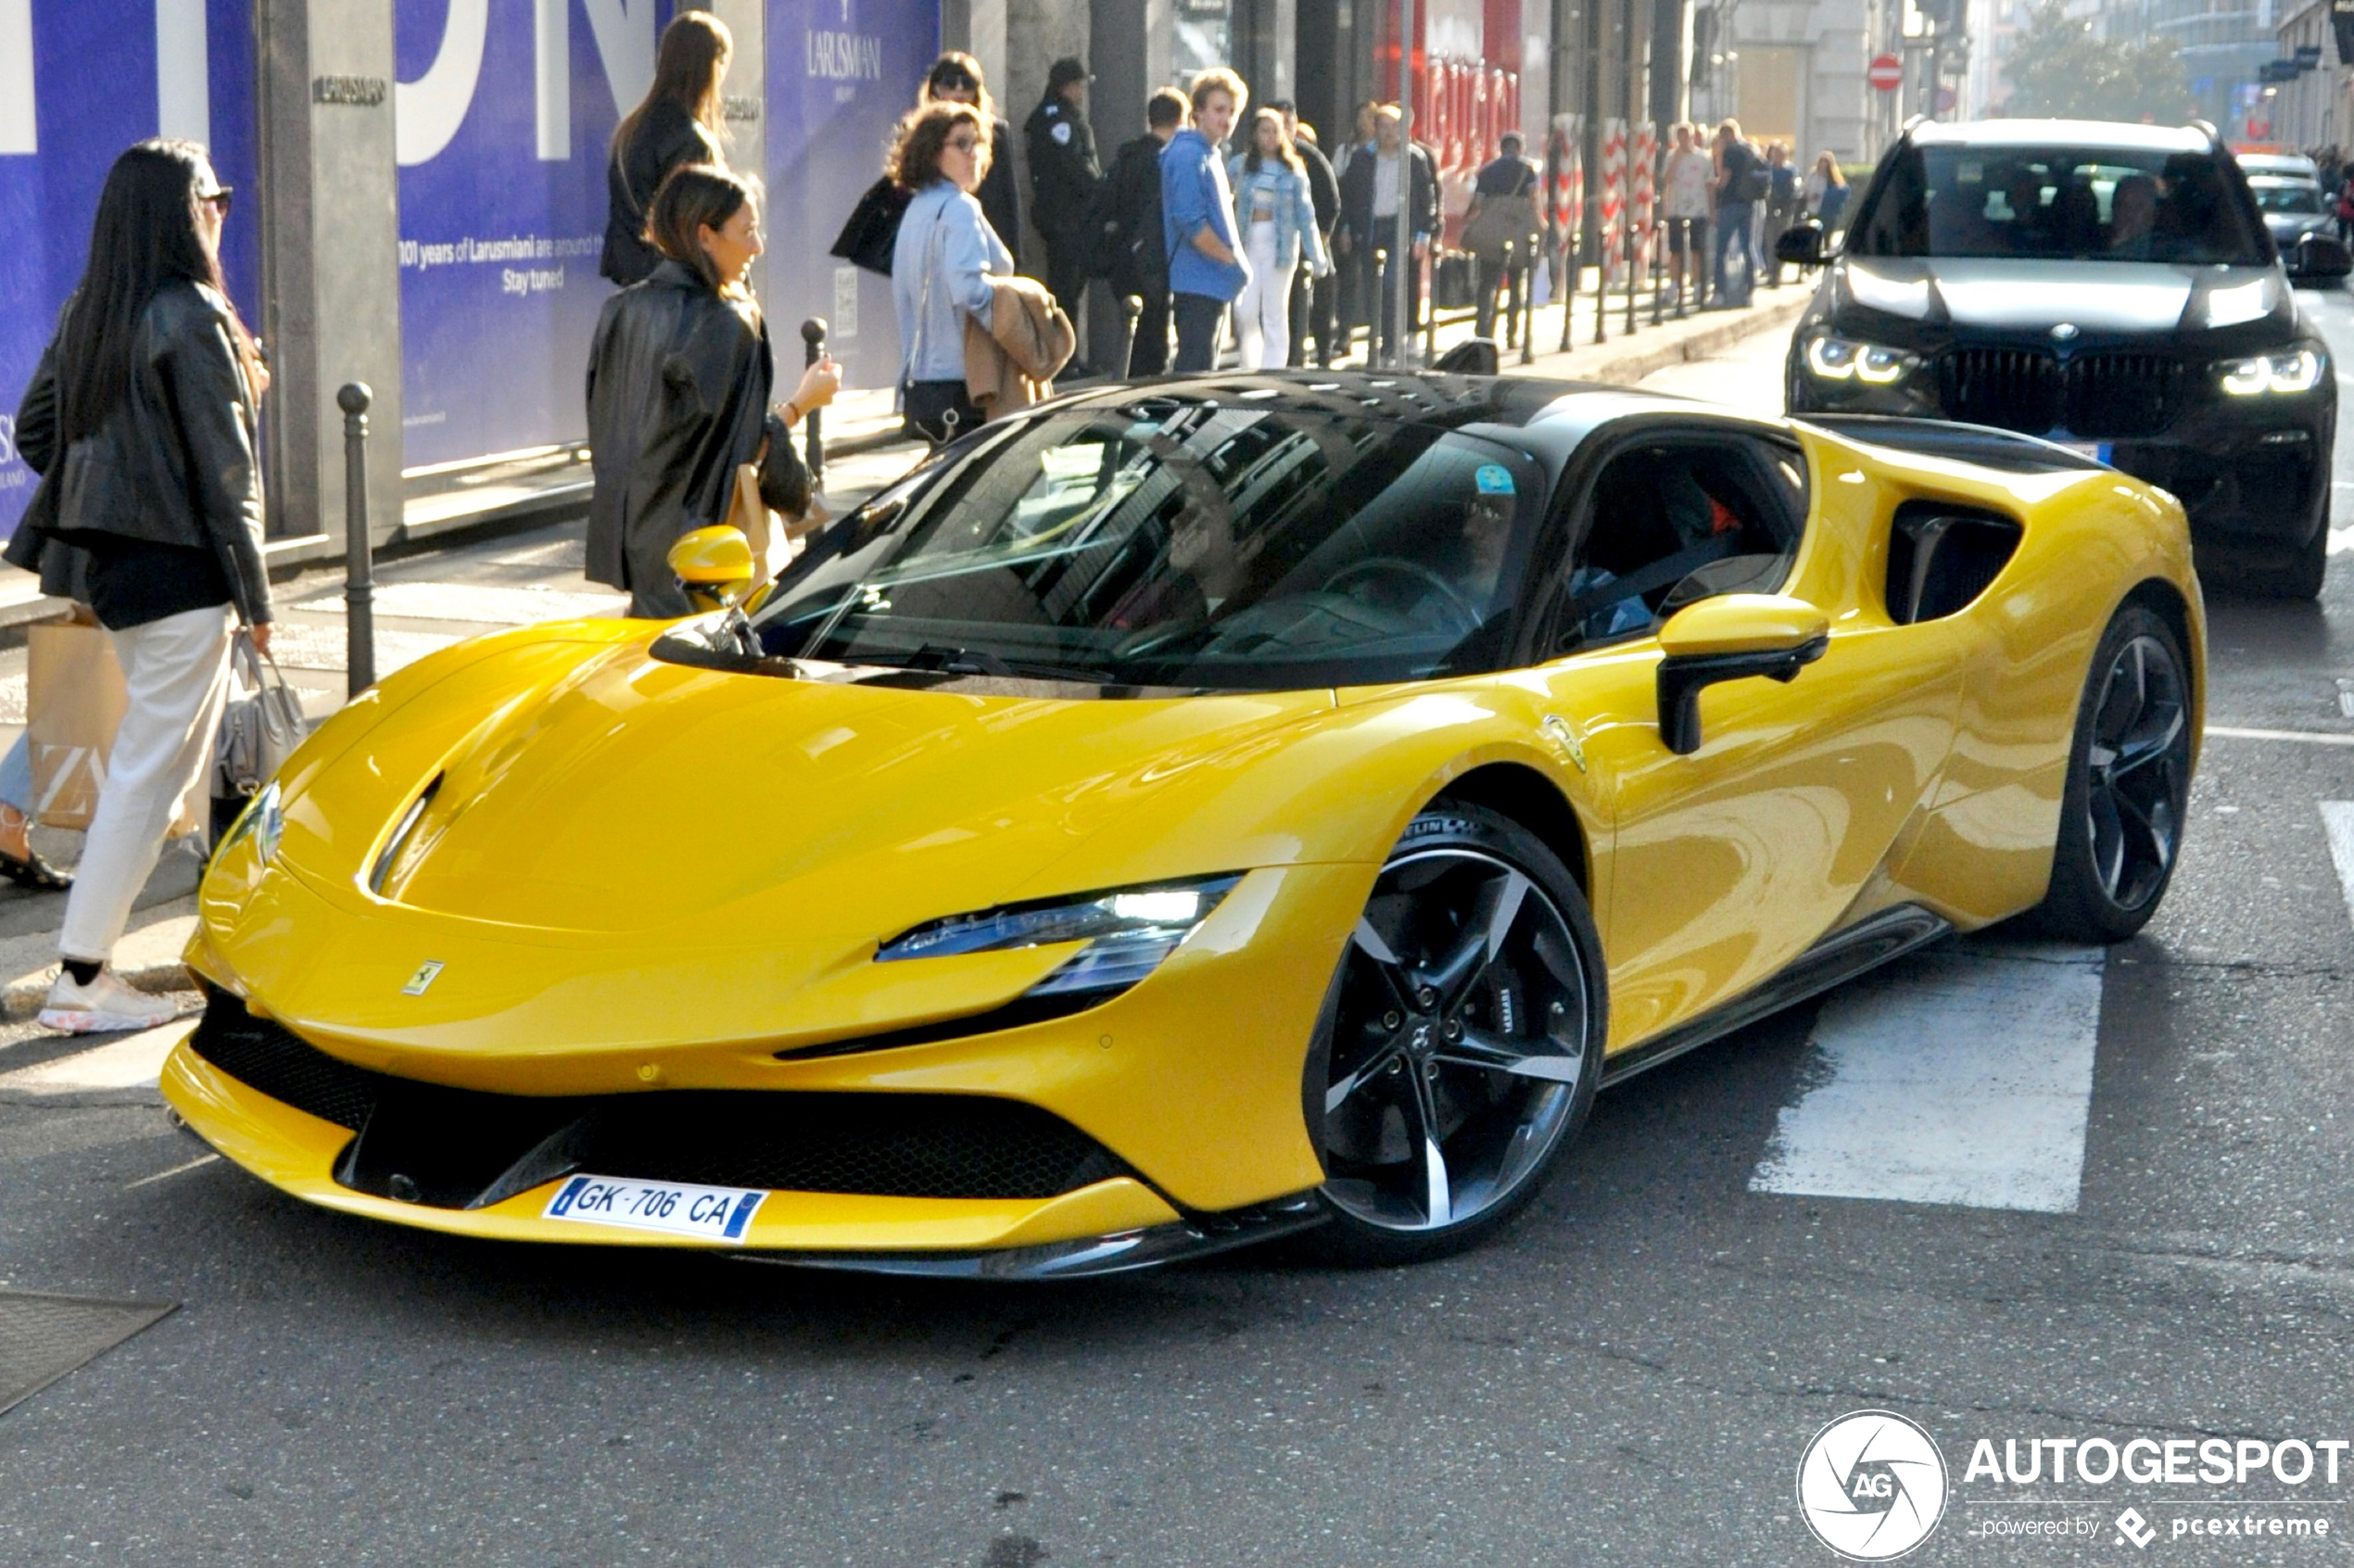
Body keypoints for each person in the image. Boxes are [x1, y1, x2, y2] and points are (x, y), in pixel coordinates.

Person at [3, 142, 271, 1032]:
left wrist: (112, 481)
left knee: (164, 774)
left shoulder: (97, 304)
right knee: (147, 777)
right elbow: (227, 475)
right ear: (181, 209)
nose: (222, 211)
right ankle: (82, 978)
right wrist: (259, 600)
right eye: (213, 197)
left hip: (120, 572)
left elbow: (40, 428)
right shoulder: (192, 311)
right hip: (183, 571)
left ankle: (121, 960)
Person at [587, 165, 835, 616]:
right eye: (748, 231)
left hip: (634, 546)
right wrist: (802, 403)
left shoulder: (618, 311)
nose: (758, 246)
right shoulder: (730, 321)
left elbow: (611, 428)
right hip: (706, 551)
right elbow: (748, 447)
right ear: (705, 235)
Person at [891, 101, 1016, 439]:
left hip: (922, 382)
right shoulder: (959, 209)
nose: (973, 152)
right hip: (966, 382)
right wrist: (1017, 323)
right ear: (933, 152)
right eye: (961, 143)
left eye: (978, 142)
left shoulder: (918, 207)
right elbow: (969, 290)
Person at [601, 11, 732, 287]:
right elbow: (700, 225)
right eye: (722, 63)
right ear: (710, 66)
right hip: (678, 285)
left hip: (634, 275)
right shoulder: (691, 138)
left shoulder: (632, 128)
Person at [1161, 68, 1252, 373]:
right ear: (1198, 111)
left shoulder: (1207, 152)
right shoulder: (1189, 155)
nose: (1226, 119)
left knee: (1201, 371)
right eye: (1218, 110)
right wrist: (1229, 259)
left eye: (1232, 111)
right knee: (1193, 374)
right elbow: (1190, 221)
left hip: (1209, 282)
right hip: (1198, 282)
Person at [1226, 108, 1330, 370]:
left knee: (1274, 311)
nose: (1270, 136)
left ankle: (1274, 365)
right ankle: (1250, 362)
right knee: (1245, 309)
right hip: (1247, 241)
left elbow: (1306, 216)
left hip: (1280, 244)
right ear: (1254, 134)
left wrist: (1317, 256)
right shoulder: (1240, 166)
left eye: (1275, 131)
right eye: (1265, 130)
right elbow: (1222, 197)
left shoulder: (1293, 170)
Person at [1337, 103, 1436, 362]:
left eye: (1395, 127)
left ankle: (1390, 345)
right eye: (1384, 126)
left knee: (1392, 283)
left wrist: (1424, 234)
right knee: (1373, 286)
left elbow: (1427, 198)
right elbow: (1349, 196)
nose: (1389, 132)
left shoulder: (1414, 158)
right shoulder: (1361, 157)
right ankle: (1377, 336)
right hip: (1370, 228)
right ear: (1376, 129)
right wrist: (1346, 228)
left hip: (1398, 227)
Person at [1103, 87, 1187, 374]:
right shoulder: (1164, 161)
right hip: (1152, 263)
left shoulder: (1127, 156)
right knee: (1153, 348)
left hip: (1123, 258)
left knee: (1132, 339)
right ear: (1181, 120)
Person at [922, 52, 1024, 272]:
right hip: (938, 238)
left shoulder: (996, 132)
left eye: (967, 83)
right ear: (936, 89)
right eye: (950, 83)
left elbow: (1009, 198)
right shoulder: (921, 134)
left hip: (987, 236)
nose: (959, 90)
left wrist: (1014, 255)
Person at [1024, 57, 1101, 346]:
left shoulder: (1055, 115)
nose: (1081, 92)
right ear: (1068, 87)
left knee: (1070, 285)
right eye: (1079, 86)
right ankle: (1063, 354)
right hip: (1064, 216)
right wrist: (1101, 189)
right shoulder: (1058, 120)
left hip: (1064, 215)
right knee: (1065, 287)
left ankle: (1068, 352)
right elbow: (1075, 167)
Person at [1272, 102, 1341, 367]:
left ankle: (1323, 354)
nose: (1284, 130)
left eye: (1288, 123)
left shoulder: (1310, 156)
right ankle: (1289, 357)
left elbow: (1331, 201)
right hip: (1277, 245)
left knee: (1319, 303)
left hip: (1312, 243)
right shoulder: (1260, 158)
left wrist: (1321, 240)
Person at [1462, 131, 1542, 337]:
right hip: (1518, 229)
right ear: (1520, 148)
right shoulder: (1528, 170)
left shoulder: (1488, 170)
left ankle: (1483, 328)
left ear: (1501, 147)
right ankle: (1512, 331)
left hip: (1492, 232)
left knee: (1487, 282)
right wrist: (1539, 223)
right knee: (1516, 282)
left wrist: (1470, 220)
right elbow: (1534, 199)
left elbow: (1478, 203)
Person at [1660, 123, 1714, 307]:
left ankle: (1697, 285)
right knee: (1676, 250)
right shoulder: (1671, 156)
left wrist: (1712, 209)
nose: (1685, 140)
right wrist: (1676, 159)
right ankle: (1674, 284)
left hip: (1699, 209)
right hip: (1677, 208)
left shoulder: (1704, 158)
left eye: (1687, 136)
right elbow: (1666, 181)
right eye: (1681, 137)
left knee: (1696, 250)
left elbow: (1709, 184)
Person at [1711, 119, 1762, 307]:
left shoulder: (1730, 151)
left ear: (1726, 135)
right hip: (1748, 204)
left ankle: (1719, 293)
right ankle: (1749, 292)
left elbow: (1724, 178)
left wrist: (1715, 188)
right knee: (1748, 248)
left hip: (1730, 203)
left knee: (1721, 250)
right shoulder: (1750, 150)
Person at [1762, 142, 1801, 285]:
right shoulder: (1767, 169)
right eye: (1776, 154)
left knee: (1782, 241)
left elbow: (1794, 190)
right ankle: (1772, 272)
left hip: (1786, 210)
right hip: (1770, 209)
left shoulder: (1791, 170)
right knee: (1771, 241)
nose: (1778, 157)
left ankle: (1777, 271)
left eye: (1781, 154)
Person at [1803, 150, 1848, 229]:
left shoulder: (1834, 178)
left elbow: (1842, 190)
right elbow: (1805, 187)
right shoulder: (1813, 174)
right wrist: (1809, 196)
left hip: (1827, 213)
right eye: (1822, 161)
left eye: (1826, 162)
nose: (1823, 165)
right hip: (1812, 210)